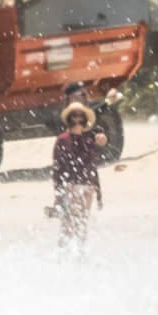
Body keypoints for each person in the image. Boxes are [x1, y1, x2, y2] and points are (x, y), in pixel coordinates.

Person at [51, 102, 106, 248]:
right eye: (74, 115)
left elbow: (93, 167)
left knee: (82, 221)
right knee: (68, 222)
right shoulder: (62, 139)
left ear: (85, 119)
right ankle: (62, 251)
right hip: (71, 186)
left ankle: (80, 253)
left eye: (81, 116)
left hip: (87, 187)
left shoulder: (88, 141)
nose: (77, 119)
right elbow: (57, 168)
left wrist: (99, 193)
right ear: (69, 118)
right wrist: (58, 194)